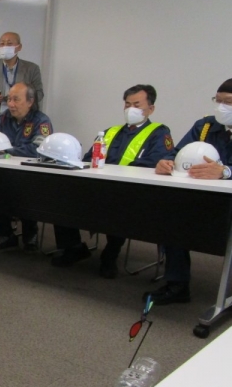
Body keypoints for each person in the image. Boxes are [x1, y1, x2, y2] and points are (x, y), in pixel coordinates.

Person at [51, 85, 173, 277]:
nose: (130, 109)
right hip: (100, 187)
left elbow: (154, 163)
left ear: (151, 108)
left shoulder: (159, 133)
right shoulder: (110, 132)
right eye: (127, 104)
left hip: (132, 192)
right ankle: (74, 247)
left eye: (136, 105)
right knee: (61, 197)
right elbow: (88, 158)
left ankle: (110, 254)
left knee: (118, 204)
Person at [142, 78, 232, 305]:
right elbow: (178, 152)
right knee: (173, 216)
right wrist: (166, 162)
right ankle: (177, 284)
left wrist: (225, 171)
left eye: (228, 102)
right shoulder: (206, 126)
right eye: (218, 101)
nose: (221, 107)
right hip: (200, 196)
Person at [0, 82, 52, 253]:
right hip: (4, 172)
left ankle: (30, 233)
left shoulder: (41, 121)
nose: (11, 104)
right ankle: (4, 234)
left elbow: (38, 150)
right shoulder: (3, 118)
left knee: (27, 190)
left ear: (30, 101)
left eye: (16, 99)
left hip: (31, 175)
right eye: (9, 99)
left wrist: (8, 150)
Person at [0, 32, 44, 126]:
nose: (5, 47)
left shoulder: (32, 68)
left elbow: (39, 94)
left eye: (9, 44)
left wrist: (22, 98)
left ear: (19, 47)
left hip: (22, 119)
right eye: (2, 44)